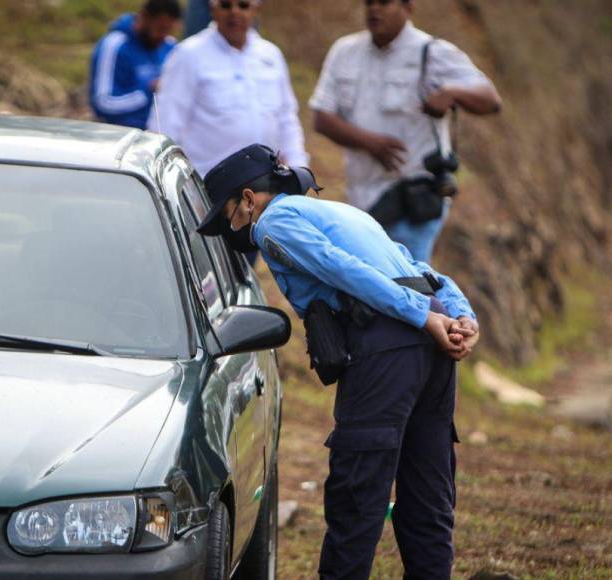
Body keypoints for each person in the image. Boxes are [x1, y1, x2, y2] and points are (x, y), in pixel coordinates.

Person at [197, 143, 480, 580]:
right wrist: (461, 316)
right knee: (429, 498)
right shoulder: (343, 213)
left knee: (356, 498)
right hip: (432, 349)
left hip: (387, 346)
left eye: (230, 214)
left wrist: (421, 318)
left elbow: (344, 270)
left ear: (249, 199)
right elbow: (419, 268)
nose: (233, 228)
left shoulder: (274, 223)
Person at [310, 0, 501, 263]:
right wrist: (370, 143)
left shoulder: (432, 52)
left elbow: (490, 100)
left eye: (384, 3)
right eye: (369, 3)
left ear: (408, 7)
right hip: (361, 199)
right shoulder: (345, 51)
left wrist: (451, 92)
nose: (374, 10)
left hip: (413, 202)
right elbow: (321, 118)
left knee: (409, 286)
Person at [147, 0, 308, 177]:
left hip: (267, 184)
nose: (234, 12)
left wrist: (298, 171)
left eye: (243, 5)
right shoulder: (188, 55)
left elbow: (287, 119)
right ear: (212, 9)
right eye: (225, 5)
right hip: (205, 186)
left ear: (256, 10)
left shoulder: (271, 55)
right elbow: (165, 125)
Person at [88, 0, 181, 129]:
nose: (162, 36)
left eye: (168, 30)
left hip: (160, 134)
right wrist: (148, 91)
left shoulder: (170, 46)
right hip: (121, 134)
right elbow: (102, 103)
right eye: (160, 29)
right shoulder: (115, 45)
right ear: (144, 17)